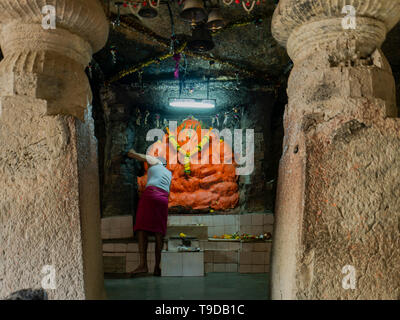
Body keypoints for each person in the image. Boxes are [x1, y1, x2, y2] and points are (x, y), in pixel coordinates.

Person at [125, 149, 172, 277]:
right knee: (159, 233)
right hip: (163, 199)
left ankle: (143, 265)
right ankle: (157, 267)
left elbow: (141, 156)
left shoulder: (156, 162)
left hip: (151, 195)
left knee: (141, 228)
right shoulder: (169, 173)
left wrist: (132, 153)